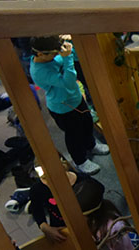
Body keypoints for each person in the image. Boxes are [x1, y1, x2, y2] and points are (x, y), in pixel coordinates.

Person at [29, 36, 108, 175]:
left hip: (76, 99)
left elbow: (76, 57)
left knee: (87, 123)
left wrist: (71, 43)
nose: (57, 55)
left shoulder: (50, 57)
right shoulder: (39, 71)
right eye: (54, 53)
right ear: (40, 54)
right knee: (74, 135)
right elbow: (69, 83)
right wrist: (67, 58)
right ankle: (80, 161)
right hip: (63, 107)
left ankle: (91, 145)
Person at [28, 161, 105, 243]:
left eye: (54, 179)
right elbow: (36, 208)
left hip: (87, 223)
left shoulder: (84, 182)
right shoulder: (38, 188)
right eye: (44, 179)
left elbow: (99, 194)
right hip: (60, 227)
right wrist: (44, 227)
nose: (48, 184)